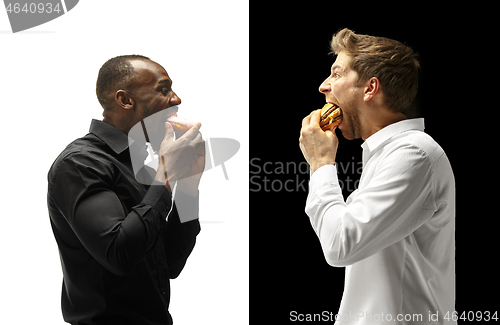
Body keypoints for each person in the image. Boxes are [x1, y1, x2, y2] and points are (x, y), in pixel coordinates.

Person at [299, 29, 455, 324]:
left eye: (336, 74)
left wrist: (321, 162)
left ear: (370, 88)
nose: (323, 86)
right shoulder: (386, 154)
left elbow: (340, 245)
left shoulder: (413, 154)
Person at [47, 54, 205, 325]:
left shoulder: (142, 170)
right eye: (163, 89)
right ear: (125, 100)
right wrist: (166, 174)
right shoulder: (79, 164)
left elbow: (170, 262)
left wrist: (189, 183)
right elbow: (119, 254)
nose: (176, 99)